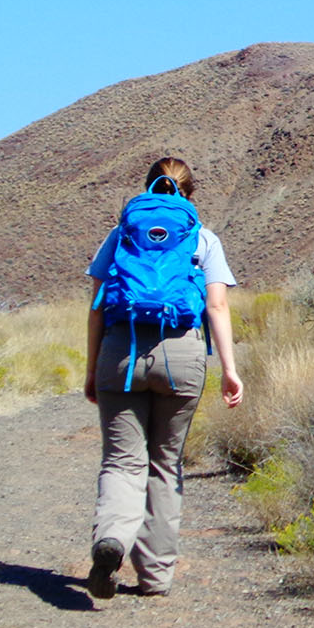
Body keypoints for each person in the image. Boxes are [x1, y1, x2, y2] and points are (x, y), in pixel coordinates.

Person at [83, 157, 243, 599]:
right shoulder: (202, 239)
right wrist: (230, 370)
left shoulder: (121, 235)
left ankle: (111, 538)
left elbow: (97, 305)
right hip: (182, 354)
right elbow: (217, 307)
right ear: (189, 195)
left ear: (148, 188)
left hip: (121, 349)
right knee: (165, 462)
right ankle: (155, 577)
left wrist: (92, 367)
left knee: (121, 460)